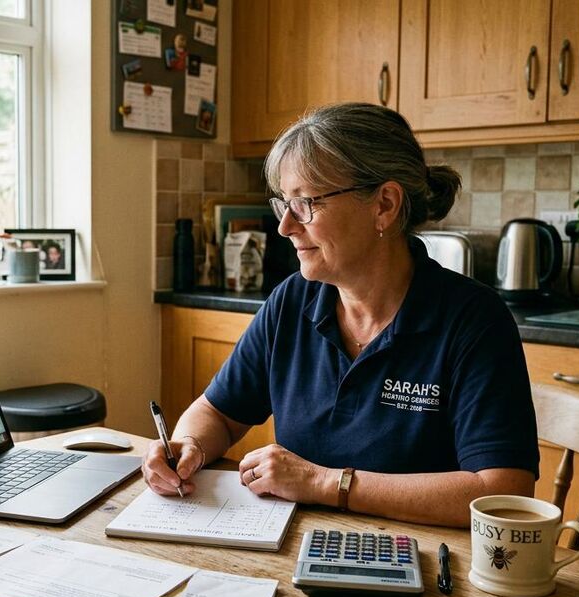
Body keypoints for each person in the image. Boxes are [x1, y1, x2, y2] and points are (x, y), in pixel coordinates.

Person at [141, 103, 539, 528]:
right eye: (284, 205)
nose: (286, 227)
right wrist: (187, 446)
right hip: (293, 550)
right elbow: (218, 412)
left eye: (306, 203)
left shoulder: (473, 320)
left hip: (423, 564)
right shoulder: (292, 301)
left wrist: (326, 483)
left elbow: (502, 491)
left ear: (384, 205)